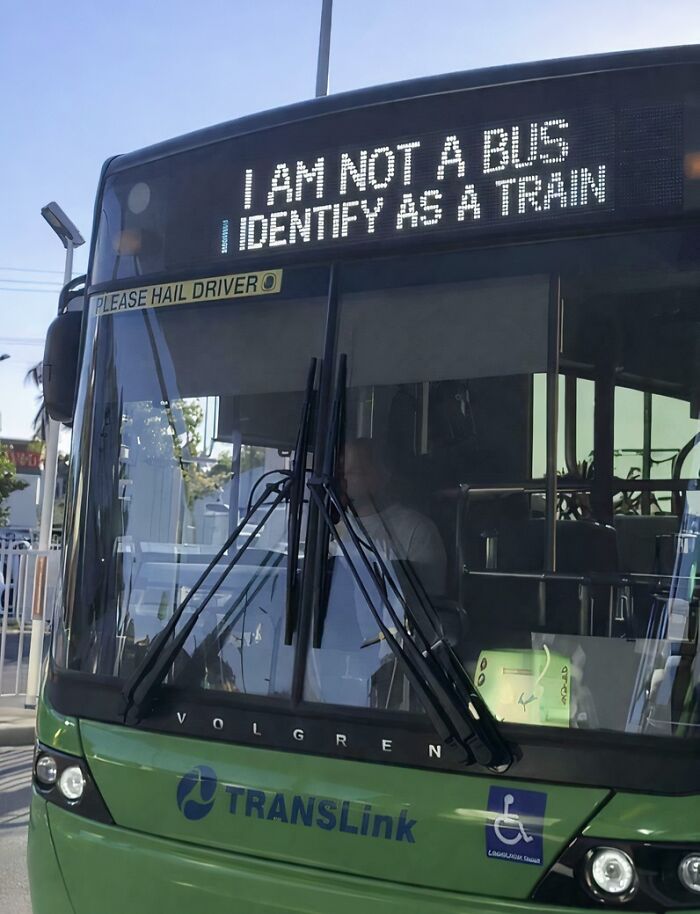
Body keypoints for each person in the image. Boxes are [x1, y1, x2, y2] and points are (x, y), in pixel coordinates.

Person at [341, 437, 446, 597]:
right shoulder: (328, 526)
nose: (344, 478)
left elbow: (427, 605)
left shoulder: (416, 531)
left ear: (383, 475)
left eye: (356, 471)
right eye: (342, 471)